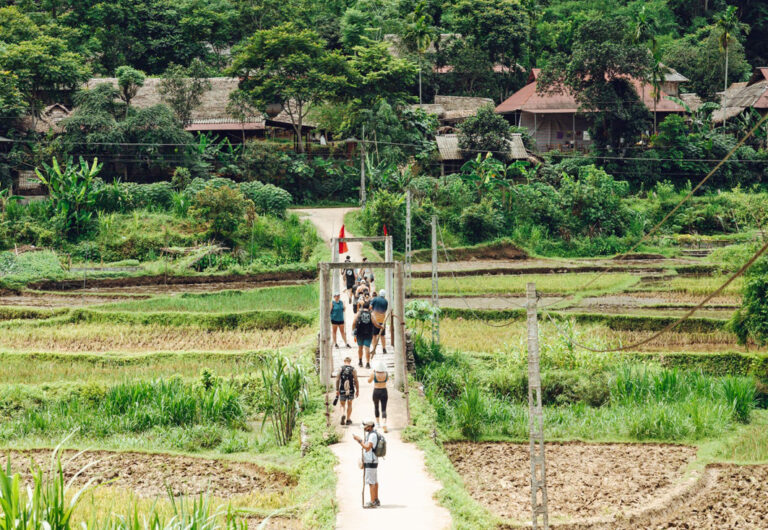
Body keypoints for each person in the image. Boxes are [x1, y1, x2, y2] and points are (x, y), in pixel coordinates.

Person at [353, 420, 380, 508]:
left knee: (371, 482)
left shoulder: (372, 435)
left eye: (365, 427)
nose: (364, 428)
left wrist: (359, 440)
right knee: (374, 481)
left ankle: (372, 502)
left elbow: (367, 448)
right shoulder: (371, 434)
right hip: (372, 460)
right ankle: (376, 499)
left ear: (369, 426)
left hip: (370, 461)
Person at [336, 357, 359, 425]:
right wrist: (357, 390)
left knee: (342, 404)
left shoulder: (341, 368)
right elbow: (356, 380)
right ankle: (348, 419)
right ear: (350, 361)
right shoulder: (353, 369)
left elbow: (337, 379)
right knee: (350, 404)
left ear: (344, 361)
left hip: (342, 389)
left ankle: (343, 414)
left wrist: (337, 390)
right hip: (351, 389)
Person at [368, 360, 389, 433]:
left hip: (376, 391)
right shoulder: (386, 373)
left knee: (376, 407)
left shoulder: (374, 374)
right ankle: (384, 422)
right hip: (384, 391)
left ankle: (377, 423)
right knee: (384, 409)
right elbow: (388, 380)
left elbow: (369, 381)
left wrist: (372, 373)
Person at [353, 300, 374, 368]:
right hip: (368, 333)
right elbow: (375, 323)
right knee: (367, 348)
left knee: (360, 348)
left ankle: (360, 361)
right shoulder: (371, 314)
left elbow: (354, 322)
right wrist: (380, 327)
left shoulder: (359, 313)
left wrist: (353, 330)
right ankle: (368, 363)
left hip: (359, 333)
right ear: (369, 307)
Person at [370, 289, 388, 355]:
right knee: (382, 335)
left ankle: (374, 349)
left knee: (374, 335)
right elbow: (385, 310)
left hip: (375, 320)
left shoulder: (375, 299)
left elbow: (370, 307)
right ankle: (384, 348)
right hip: (383, 321)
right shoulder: (386, 301)